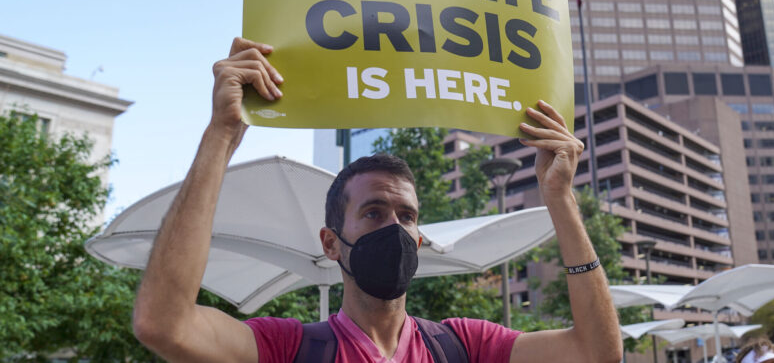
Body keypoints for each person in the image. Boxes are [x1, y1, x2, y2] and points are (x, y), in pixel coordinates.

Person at [131, 38, 624, 362]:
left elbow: (599, 352)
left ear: (421, 235)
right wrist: (221, 135)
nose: (394, 226)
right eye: (373, 212)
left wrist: (559, 198)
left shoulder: (463, 345)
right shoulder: (290, 348)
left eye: (406, 216)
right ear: (330, 242)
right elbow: (163, 323)